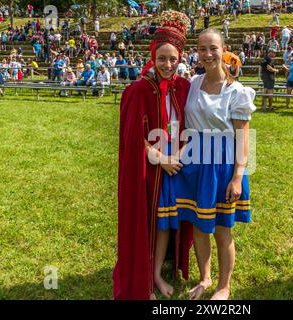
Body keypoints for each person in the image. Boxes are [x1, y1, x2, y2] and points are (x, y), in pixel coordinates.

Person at [168, 27, 255, 301]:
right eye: (202, 48)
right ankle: (205, 278)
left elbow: (243, 138)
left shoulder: (237, 91)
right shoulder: (193, 83)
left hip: (222, 166)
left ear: (223, 49)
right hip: (194, 162)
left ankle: (224, 286)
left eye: (213, 48)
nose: (207, 54)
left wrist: (238, 177)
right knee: (198, 224)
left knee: (221, 228)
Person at [113, 10, 193, 300]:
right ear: (152, 56)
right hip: (150, 170)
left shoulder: (183, 87)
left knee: (168, 222)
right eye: (162, 58)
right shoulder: (138, 91)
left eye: (173, 59)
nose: (168, 64)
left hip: (177, 168)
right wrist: (161, 159)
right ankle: (149, 274)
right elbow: (132, 141)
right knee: (151, 221)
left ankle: (160, 271)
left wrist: (180, 156)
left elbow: (194, 126)